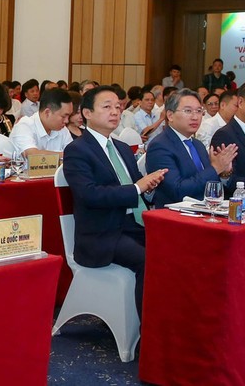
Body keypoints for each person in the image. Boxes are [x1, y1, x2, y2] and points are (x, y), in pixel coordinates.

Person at [63, 85, 167, 317]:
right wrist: (137, 188)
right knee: (148, 261)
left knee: (174, 249)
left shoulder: (122, 148)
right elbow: (89, 195)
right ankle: (148, 331)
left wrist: (149, 187)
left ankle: (170, 321)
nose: (115, 112)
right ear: (87, 113)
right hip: (102, 233)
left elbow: (138, 188)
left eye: (118, 107)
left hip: (133, 225)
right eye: (107, 107)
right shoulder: (77, 150)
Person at [146, 89, 237, 207]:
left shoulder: (197, 144)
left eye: (199, 111)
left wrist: (224, 172)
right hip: (177, 214)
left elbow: (209, 184)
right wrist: (215, 168)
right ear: (170, 115)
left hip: (207, 210)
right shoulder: (160, 146)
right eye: (188, 111)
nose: (195, 117)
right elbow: (177, 191)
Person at [9, 88, 73, 157]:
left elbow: (73, 154)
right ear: (47, 112)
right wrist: (67, 156)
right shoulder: (24, 126)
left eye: (69, 116)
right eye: (63, 116)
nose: (67, 121)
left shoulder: (63, 130)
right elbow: (32, 155)